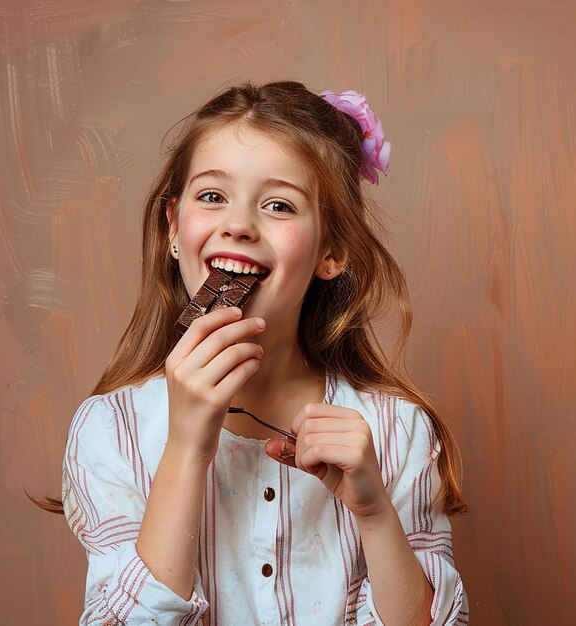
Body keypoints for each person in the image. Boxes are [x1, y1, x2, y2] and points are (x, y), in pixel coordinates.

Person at [58, 80, 469, 625]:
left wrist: (373, 514)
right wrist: (185, 447)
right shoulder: (111, 431)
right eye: (211, 196)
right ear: (173, 227)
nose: (239, 224)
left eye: (279, 204)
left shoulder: (396, 432)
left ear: (332, 250)